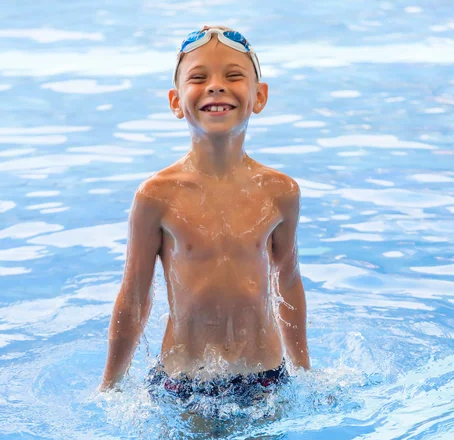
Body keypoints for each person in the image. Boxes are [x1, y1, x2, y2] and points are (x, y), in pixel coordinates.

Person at [100, 25, 310, 398]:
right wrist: (110, 385)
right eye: (199, 78)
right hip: (184, 380)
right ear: (176, 102)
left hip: (264, 376)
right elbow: (134, 295)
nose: (216, 85)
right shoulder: (157, 196)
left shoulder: (281, 192)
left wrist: (305, 371)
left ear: (259, 97)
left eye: (233, 76)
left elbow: (288, 280)